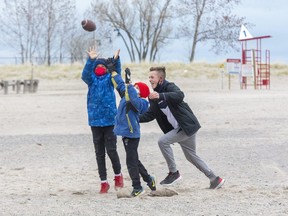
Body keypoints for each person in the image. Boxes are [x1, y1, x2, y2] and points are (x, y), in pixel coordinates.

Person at [139, 66, 225, 189]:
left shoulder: (168, 87)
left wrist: (161, 95)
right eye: (149, 77)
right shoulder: (153, 97)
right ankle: (215, 179)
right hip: (183, 129)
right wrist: (135, 119)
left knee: (162, 141)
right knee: (191, 156)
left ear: (161, 79)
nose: (150, 79)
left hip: (187, 126)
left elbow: (179, 95)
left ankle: (174, 173)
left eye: (152, 77)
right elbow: (150, 114)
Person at [81, 47, 124, 194]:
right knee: (99, 153)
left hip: (110, 121)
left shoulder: (109, 79)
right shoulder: (91, 80)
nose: (100, 68)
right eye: (97, 66)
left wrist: (116, 61)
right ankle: (103, 182)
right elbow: (85, 74)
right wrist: (91, 59)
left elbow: (116, 74)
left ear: (106, 69)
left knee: (111, 150)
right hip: (95, 122)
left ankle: (118, 175)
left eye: (102, 66)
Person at [111, 68, 156, 197]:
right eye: (133, 87)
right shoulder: (127, 97)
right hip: (126, 134)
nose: (133, 88)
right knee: (134, 160)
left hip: (132, 135)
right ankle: (148, 179)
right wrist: (114, 73)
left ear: (140, 93)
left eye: (137, 88)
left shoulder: (142, 103)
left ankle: (137, 186)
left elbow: (134, 100)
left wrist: (130, 85)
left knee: (130, 162)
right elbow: (121, 86)